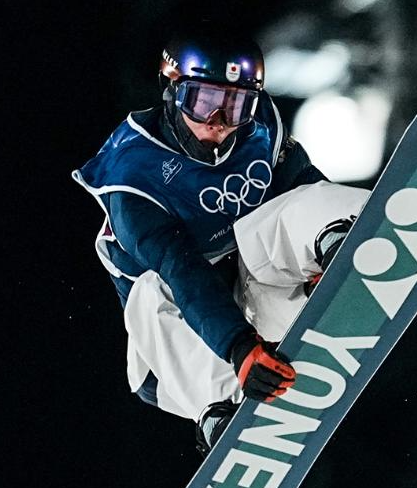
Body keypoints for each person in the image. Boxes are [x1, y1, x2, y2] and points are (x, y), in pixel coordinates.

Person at [72, 28, 369, 455]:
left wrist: (317, 255)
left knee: (287, 202)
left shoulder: (258, 128)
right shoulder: (132, 178)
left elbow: (303, 188)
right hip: (187, 351)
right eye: (203, 101)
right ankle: (219, 411)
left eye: (236, 105)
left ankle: (344, 242)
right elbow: (183, 271)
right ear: (172, 91)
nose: (219, 121)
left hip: (264, 301)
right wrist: (239, 348)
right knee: (151, 290)